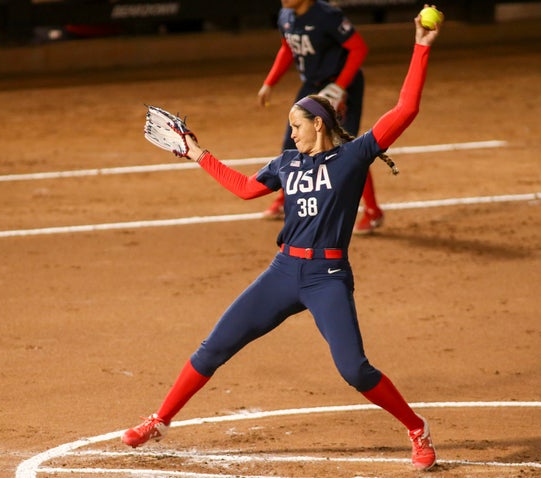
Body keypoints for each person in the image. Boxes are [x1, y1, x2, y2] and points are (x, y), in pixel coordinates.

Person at [122, 8, 441, 471]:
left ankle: (417, 428)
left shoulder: (353, 158)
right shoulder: (286, 163)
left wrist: (421, 46)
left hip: (326, 277)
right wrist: (198, 153)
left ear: (318, 124)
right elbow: (246, 189)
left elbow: (406, 109)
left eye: (296, 125)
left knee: (354, 369)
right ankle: (160, 420)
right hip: (283, 272)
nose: (290, 134)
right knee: (213, 348)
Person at [257, 0, 384, 235]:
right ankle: (287, 198)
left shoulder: (327, 15)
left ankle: (373, 211)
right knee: (293, 142)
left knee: (347, 149)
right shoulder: (286, 15)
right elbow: (288, 48)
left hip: (342, 85)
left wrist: (339, 88)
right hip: (312, 87)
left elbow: (358, 49)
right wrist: (270, 82)